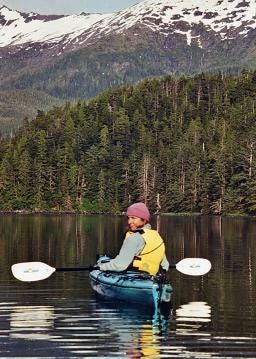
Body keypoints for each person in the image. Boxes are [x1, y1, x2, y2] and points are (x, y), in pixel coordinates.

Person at [98, 202, 169, 275]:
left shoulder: (135, 238)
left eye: (133, 218)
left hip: (135, 275)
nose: (129, 221)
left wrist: (100, 267)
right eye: (128, 218)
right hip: (152, 278)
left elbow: (120, 265)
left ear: (144, 219)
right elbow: (165, 265)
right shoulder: (156, 236)